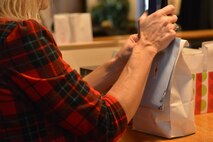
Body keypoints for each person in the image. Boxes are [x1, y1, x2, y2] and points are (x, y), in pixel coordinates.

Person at [0, 0, 177, 141]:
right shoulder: (20, 36)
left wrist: (118, 62)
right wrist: (147, 45)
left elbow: (67, 99)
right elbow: (106, 124)